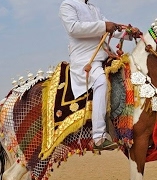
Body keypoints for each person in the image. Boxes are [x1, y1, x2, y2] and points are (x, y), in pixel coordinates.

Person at [59, 0, 138, 151]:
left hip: (104, 55)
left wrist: (128, 33)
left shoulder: (93, 8)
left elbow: (111, 27)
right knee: (100, 81)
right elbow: (73, 28)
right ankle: (98, 137)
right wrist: (103, 26)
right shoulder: (68, 5)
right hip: (86, 59)